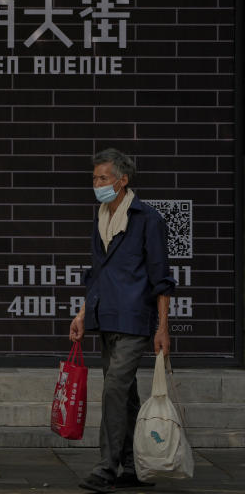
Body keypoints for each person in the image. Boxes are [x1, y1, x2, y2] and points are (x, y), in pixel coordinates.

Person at [70, 148, 177, 493]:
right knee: (126, 394)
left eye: (103, 178)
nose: (97, 183)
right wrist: (83, 313)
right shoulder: (101, 217)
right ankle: (133, 466)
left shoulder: (148, 219)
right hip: (105, 316)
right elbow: (97, 275)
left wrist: (163, 328)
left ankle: (106, 467)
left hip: (134, 319)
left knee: (114, 388)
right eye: (94, 178)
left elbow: (161, 278)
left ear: (123, 180)